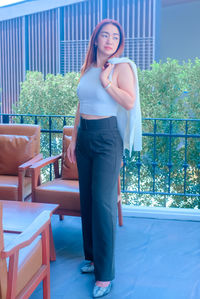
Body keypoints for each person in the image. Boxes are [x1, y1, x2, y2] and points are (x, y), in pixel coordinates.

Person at [67, 18, 142, 298]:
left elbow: (129, 102)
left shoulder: (120, 67)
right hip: (85, 136)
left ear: (117, 43)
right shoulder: (87, 68)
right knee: (86, 199)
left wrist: (107, 83)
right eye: (104, 35)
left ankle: (105, 275)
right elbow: (80, 106)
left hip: (108, 138)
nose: (109, 40)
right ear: (96, 39)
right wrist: (74, 140)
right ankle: (92, 258)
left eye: (115, 36)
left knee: (103, 204)